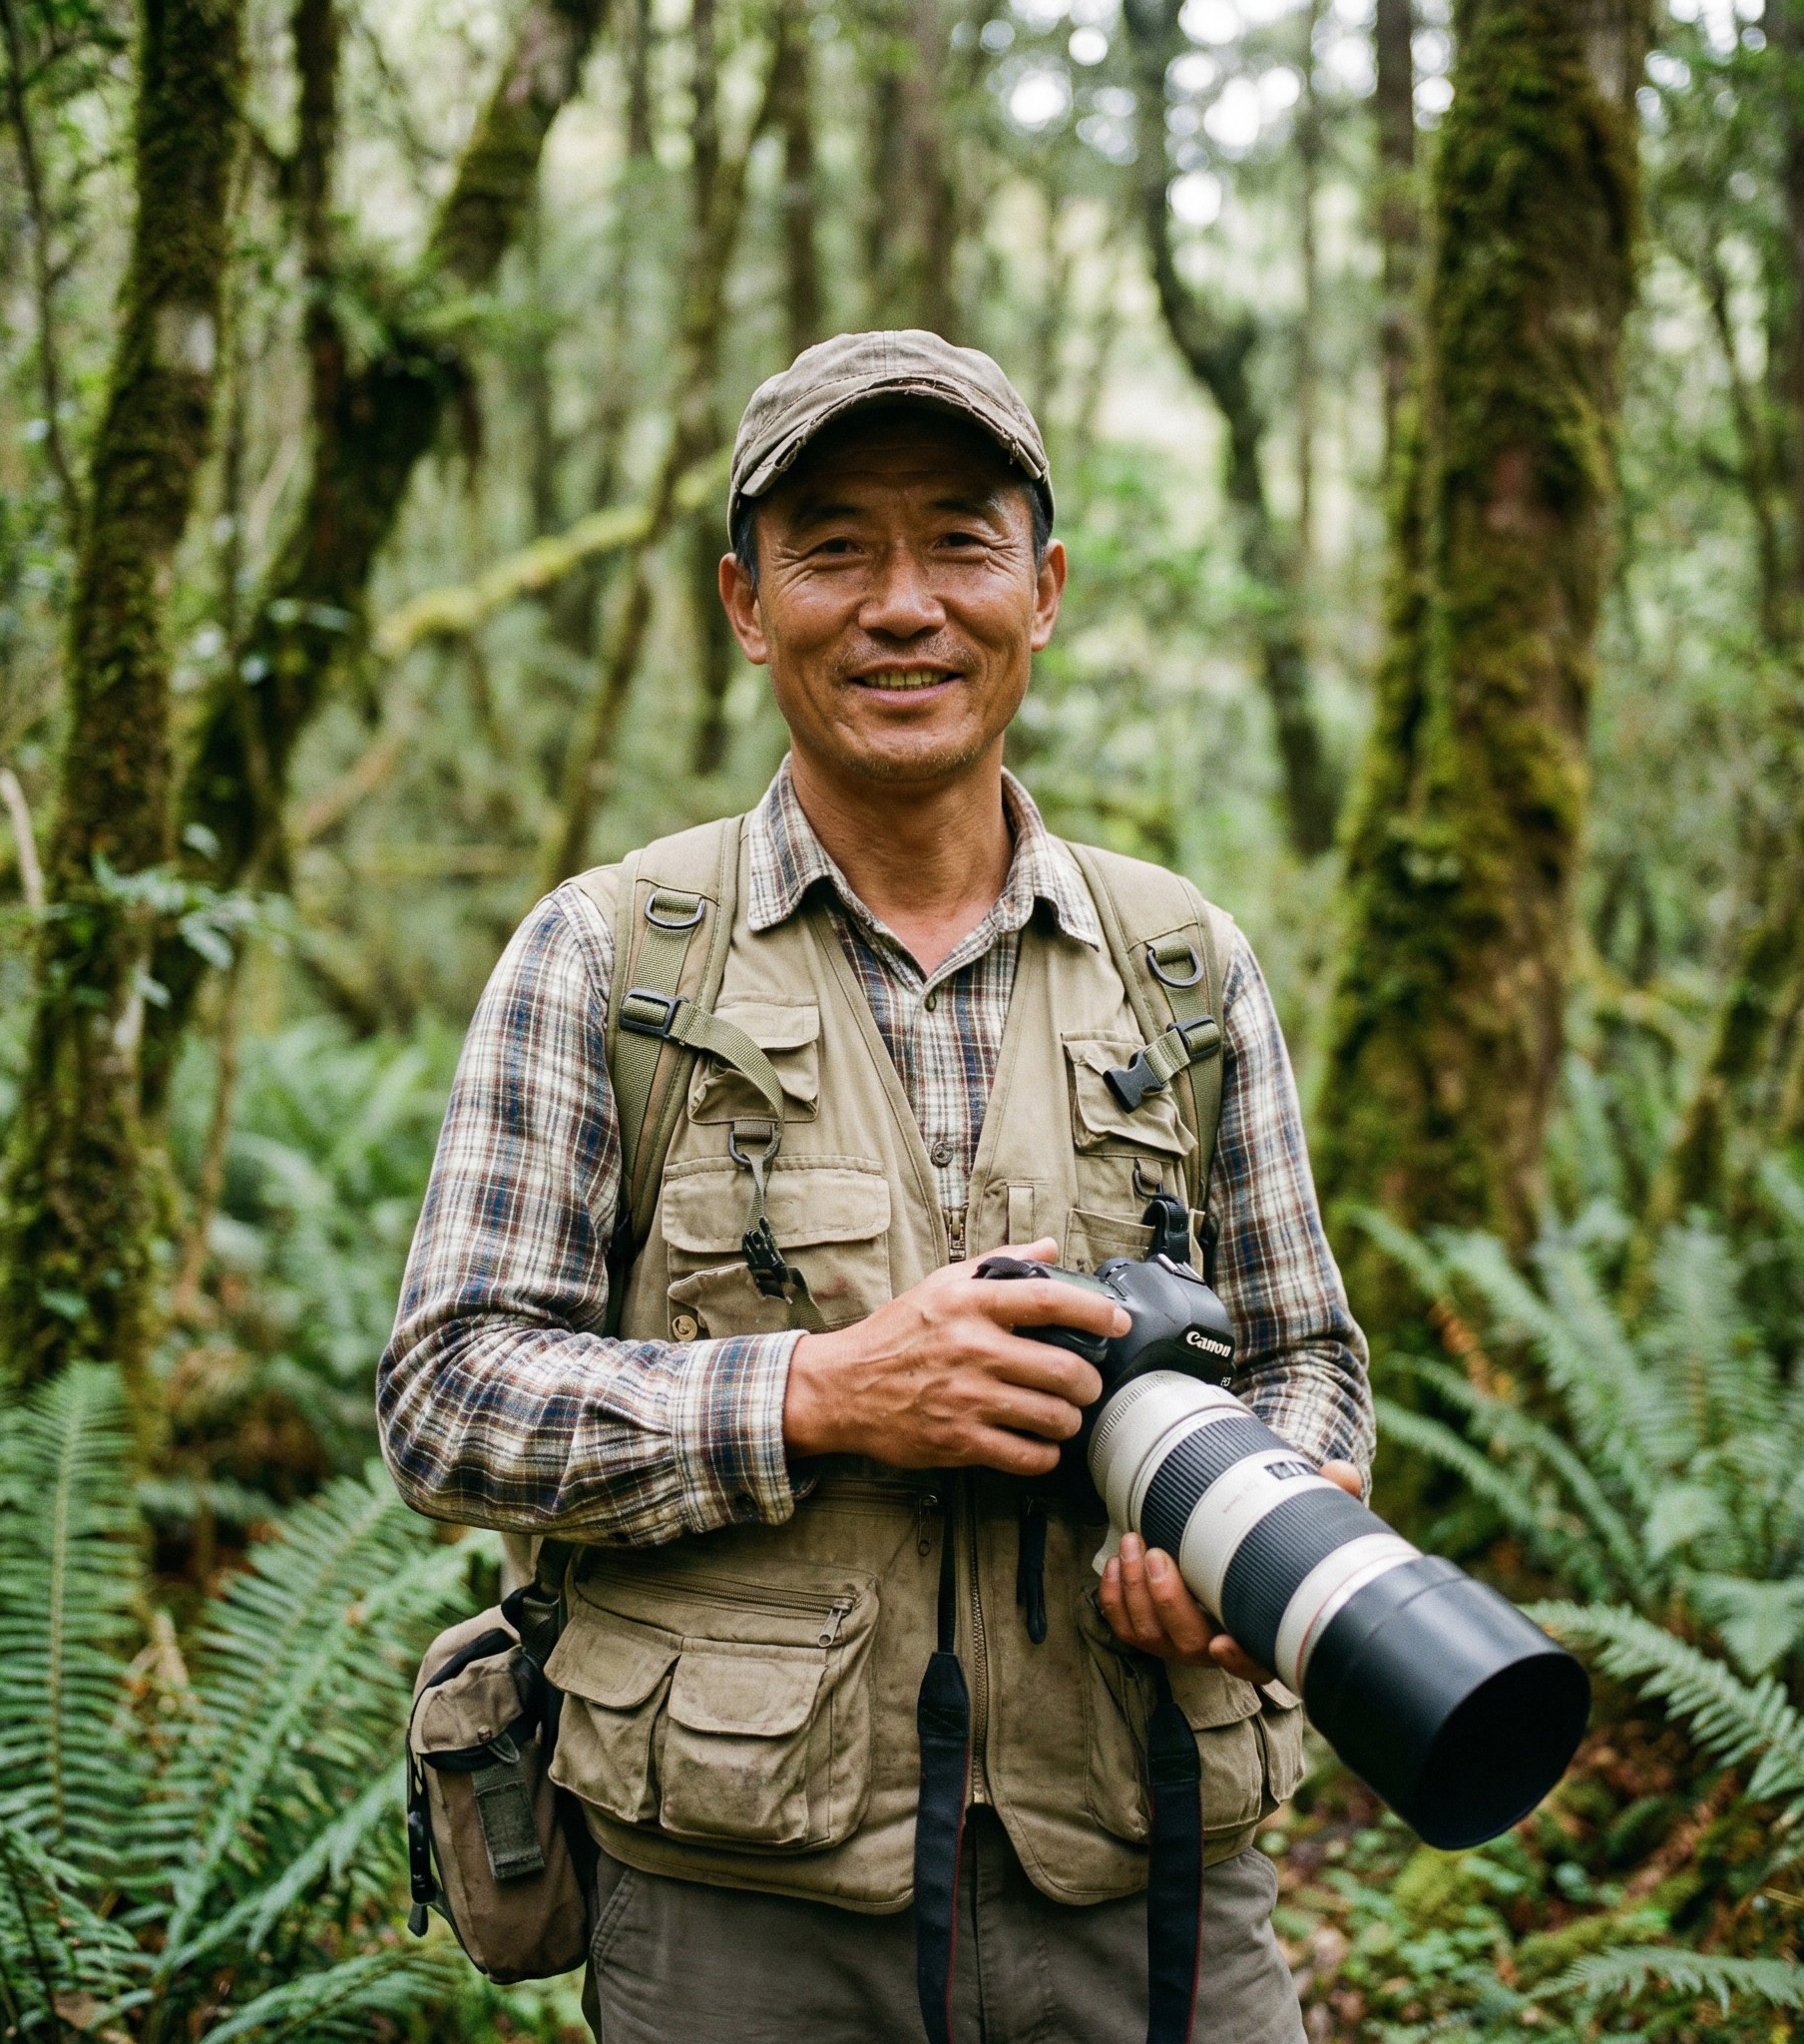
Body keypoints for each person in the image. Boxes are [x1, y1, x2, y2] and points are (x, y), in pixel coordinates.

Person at [379, 329, 1374, 2043]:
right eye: (833, 547)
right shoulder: (608, 958)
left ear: (1042, 590)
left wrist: (1246, 1538)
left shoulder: (1185, 966)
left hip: (1150, 1874)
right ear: (746, 602)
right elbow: (448, 1394)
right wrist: (821, 1394)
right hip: (741, 1906)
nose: (903, 604)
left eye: (960, 543)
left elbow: (1315, 1361)